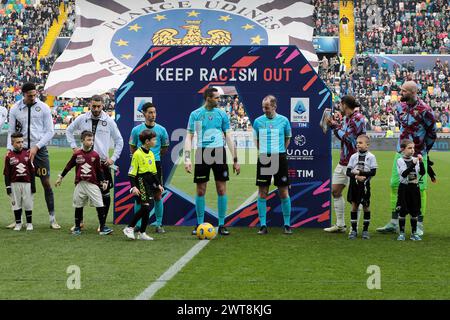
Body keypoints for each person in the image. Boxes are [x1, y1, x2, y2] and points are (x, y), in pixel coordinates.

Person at [376, 81, 436, 236]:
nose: (400, 93)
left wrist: (423, 152)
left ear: (413, 92)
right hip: (400, 154)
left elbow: (432, 133)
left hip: (418, 155)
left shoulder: (425, 110)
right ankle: (394, 222)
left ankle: (419, 224)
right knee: (395, 184)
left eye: (403, 91)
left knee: (419, 189)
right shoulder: (400, 107)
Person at [184, 87, 240, 236]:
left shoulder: (222, 114)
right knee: (201, 190)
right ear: (208, 98)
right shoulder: (196, 115)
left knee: (221, 189)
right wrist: (187, 158)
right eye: (216, 98)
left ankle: (222, 224)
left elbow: (228, 136)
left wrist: (235, 159)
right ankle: (199, 224)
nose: (219, 100)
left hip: (219, 153)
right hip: (202, 153)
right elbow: (189, 137)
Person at [66, 94, 124, 233]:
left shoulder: (109, 121)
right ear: (90, 105)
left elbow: (119, 140)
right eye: (94, 106)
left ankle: (102, 224)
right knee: (81, 193)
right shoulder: (82, 118)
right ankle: (79, 223)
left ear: (103, 106)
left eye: (99, 106)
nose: (96, 109)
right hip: (84, 162)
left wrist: (113, 158)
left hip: (102, 163)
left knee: (105, 193)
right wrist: (74, 147)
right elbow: (68, 130)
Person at [6, 82, 59, 229]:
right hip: (20, 151)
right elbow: (11, 131)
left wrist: (36, 147)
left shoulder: (43, 107)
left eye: (35, 95)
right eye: (30, 96)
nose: (33, 98)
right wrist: (10, 150)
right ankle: (18, 220)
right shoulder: (15, 109)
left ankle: (52, 219)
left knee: (46, 183)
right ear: (23, 95)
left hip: (39, 150)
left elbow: (50, 131)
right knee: (18, 184)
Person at [324, 95, 366, 234]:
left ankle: (354, 228)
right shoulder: (347, 118)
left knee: (355, 198)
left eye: (340, 104)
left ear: (344, 104)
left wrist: (334, 127)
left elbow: (348, 138)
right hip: (343, 161)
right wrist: (335, 125)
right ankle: (340, 225)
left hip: (355, 163)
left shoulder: (358, 118)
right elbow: (343, 134)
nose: (339, 107)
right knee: (335, 191)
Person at [55, 131, 110, 235]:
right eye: (89, 140)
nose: (91, 142)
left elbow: (99, 170)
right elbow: (68, 166)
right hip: (80, 184)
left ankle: (102, 228)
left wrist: (103, 181)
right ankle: (77, 227)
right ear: (82, 141)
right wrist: (60, 177)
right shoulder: (77, 154)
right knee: (78, 205)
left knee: (100, 204)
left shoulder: (95, 155)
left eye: (92, 140)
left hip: (92, 184)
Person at [252, 95, 293, 235]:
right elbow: (256, 140)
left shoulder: (284, 121)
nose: (265, 110)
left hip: (280, 157)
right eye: (263, 107)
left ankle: (287, 224)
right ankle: (263, 225)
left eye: (267, 107)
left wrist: (280, 151)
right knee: (262, 192)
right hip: (264, 158)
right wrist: (265, 151)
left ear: (274, 106)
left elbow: (288, 138)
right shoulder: (257, 122)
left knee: (283, 192)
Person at [129, 102, 169, 233]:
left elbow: (164, 148)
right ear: (144, 114)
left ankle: (159, 224)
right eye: (150, 112)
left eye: (154, 112)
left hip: (155, 165)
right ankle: (138, 224)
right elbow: (132, 146)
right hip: (140, 166)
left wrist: (154, 157)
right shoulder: (136, 130)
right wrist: (140, 158)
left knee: (158, 194)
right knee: (140, 196)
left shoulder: (162, 130)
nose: (153, 115)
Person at [123, 130, 164, 241]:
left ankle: (142, 233)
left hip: (149, 182)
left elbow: (154, 172)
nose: (156, 141)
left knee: (146, 208)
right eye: (154, 139)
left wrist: (158, 184)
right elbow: (131, 173)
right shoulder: (137, 154)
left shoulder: (151, 153)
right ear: (147, 141)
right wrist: (133, 187)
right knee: (145, 206)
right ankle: (129, 227)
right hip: (140, 181)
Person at [346, 135, 377, 240]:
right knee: (354, 206)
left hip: (364, 186)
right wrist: (356, 176)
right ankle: (354, 230)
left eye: (360, 143)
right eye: (357, 143)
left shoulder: (371, 157)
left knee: (366, 207)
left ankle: (365, 230)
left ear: (367, 145)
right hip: (354, 185)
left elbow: (373, 172)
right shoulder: (353, 156)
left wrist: (361, 173)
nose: (358, 144)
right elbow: (348, 172)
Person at [4, 132, 36, 231]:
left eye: (22, 142)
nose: (21, 144)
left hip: (27, 183)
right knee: (16, 204)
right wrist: (8, 187)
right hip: (14, 184)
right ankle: (18, 223)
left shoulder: (28, 153)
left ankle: (29, 223)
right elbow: (6, 173)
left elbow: (32, 170)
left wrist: (33, 185)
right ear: (12, 143)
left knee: (28, 203)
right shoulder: (9, 156)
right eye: (18, 142)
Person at [395, 139, 425, 241]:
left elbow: (422, 173)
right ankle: (402, 233)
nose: (412, 150)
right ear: (403, 149)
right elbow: (404, 174)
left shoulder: (415, 160)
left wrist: (420, 162)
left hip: (414, 188)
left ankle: (414, 233)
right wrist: (413, 163)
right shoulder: (400, 160)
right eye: (409, 148)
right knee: (402, 211)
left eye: (413, 148)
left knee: (414, 211)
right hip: (404, 188)